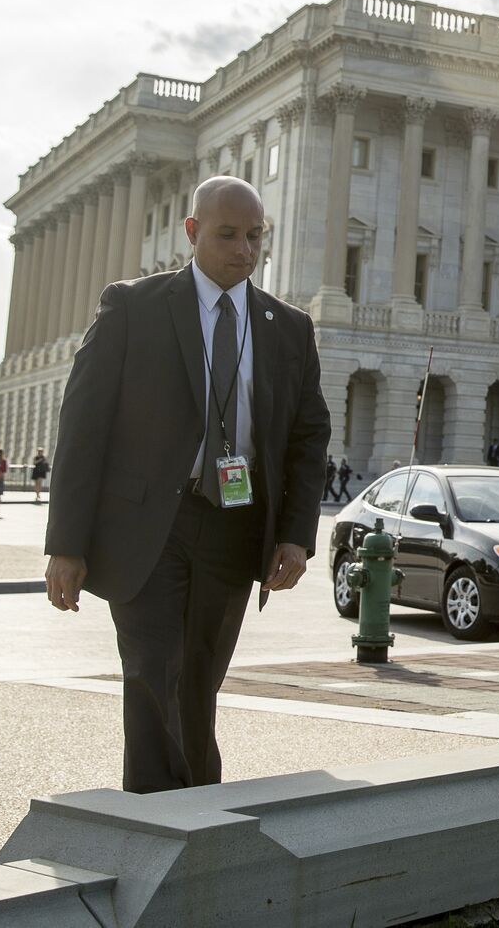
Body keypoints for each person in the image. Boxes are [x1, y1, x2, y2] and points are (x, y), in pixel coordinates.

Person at [44, 175, 330, 793]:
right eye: (229, 234)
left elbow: (308, 439)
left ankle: (189, 814)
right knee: (153, 670)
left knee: (199, 677)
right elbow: (83, 427)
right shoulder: (132, 306)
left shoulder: (288, 327)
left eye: (256, 236)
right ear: (194, 232)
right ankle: (174, 812)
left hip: (236, 524)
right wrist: (66, 544)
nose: (245, 249)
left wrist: (296, 537)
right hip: (150, 525)